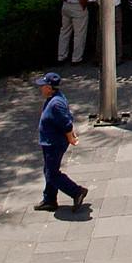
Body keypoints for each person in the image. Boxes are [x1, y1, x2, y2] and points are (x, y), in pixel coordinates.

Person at [32, 73, 89, 212]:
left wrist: (70, 137)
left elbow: (66, 123)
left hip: (54, 144)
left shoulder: (56, 103)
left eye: (43, 86)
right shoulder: (54, 98)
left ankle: (76, 192)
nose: (41, 88)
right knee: (49, 170)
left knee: (52, 174)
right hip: (49, 142)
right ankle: (49, 199)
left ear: (50, 88)